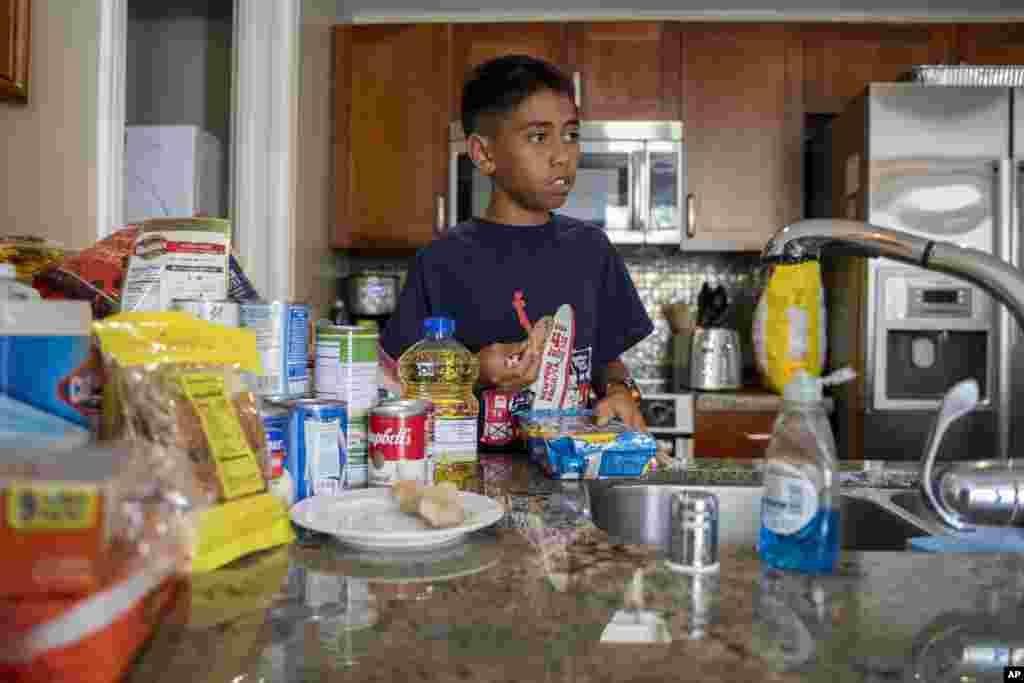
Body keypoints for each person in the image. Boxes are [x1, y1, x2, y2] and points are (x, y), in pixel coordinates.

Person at [378, 54, 653, 430]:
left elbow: (606, 360)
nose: (562, 156)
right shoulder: (441, 260)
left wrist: (620, 391)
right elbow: (396, 384)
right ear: (484, 154)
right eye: (539, 137)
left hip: (570, 461)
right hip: (466, 463)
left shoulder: (592, 250)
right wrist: (473, 371)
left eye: (571, 135)